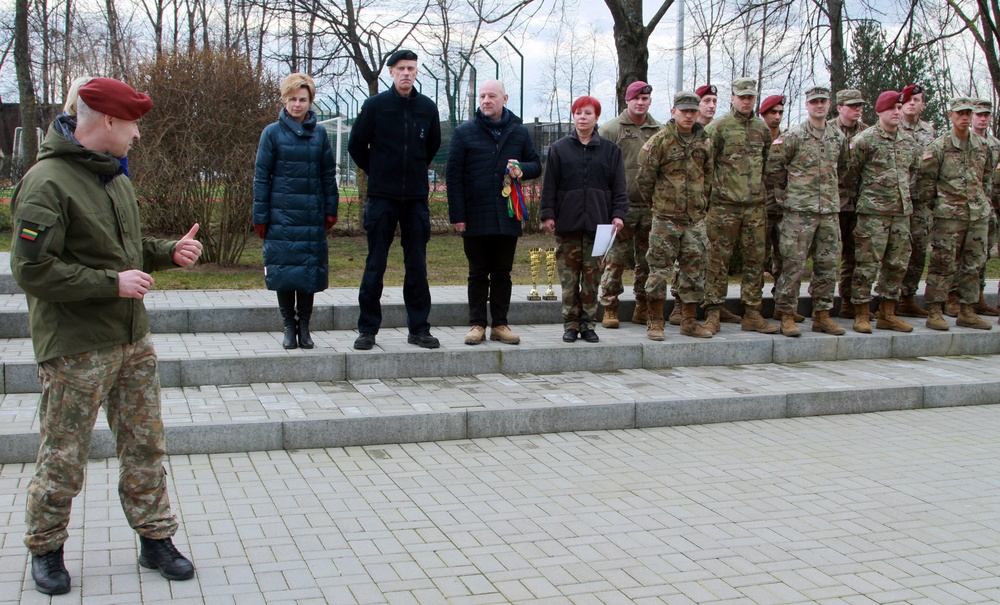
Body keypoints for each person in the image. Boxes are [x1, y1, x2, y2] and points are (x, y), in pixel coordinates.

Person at [10, 77, 201, 595]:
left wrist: (165, 251)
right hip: (75, 346)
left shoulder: (112, 177)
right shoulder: (46, 181)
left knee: (145, 445)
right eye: (134, 124)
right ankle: (45, 548)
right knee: (64, 454)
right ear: (110, 121)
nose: (138, 135)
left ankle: (155, 538)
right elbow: (31, 270)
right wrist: (109, 285)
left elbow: (121, 248)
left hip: (130, 339)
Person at [348, 49, 442, 350]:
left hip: (415, 199)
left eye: (411, 68)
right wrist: (378, 170)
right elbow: (356, 145)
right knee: (375, 264)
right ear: (390, 72)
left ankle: (419, 329)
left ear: (416, 72)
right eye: (401, 68)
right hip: (382, 198)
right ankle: (367, 330)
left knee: (417, 265)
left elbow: (432, 146)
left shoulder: (428, 108)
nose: (406, 73)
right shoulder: (375, 106)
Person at [446, 79, 541, 345]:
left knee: (503, 272)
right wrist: (458, 216)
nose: (486, 100)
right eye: (482, 96)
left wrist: (522, 168)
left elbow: (536, 165)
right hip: (475, 216)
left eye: (492, 96)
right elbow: (453, 177)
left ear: (504, 99)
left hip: (507, 216)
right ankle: (477, 324)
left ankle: (500, 324)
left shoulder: (519, 132)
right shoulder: (464, 132)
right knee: (477, 272)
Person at [253, 73, 339, 350]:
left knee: (308, 274)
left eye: (302, 99)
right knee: (283, 272)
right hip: (281, 216)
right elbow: (261, 176)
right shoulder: (272, 133)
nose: (297, 104)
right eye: (292, 99)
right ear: (285, 100)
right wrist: (261, 215)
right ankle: (289, 327)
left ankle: (305, 327)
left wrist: (330, 208)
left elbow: (328, 173)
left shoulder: (320, 133)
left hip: (311, 216)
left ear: (310, 101)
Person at [540, 96, 628, 343]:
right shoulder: (559, 149)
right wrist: (547, 214)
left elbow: (619, 188)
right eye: (578, 113)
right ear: (573, 116)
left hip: (598, 227)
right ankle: (570, 324)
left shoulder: (611, 151)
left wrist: (618, 215)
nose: (582, 117)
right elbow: (549, 186)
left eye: (588, 113)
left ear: (596, 117)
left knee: (592, 280)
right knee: (569, 281)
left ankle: (589, 325)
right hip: (568, 226)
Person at [766, 86, 850, 337]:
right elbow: (775, 170)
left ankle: (822, 314)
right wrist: (791, 194)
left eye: (823, 101)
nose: (819, 106)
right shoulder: (794, 136)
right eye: (814, 102)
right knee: (793, 265)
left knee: (826, 265)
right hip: (799, 212)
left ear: (829, 104)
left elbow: (844, 168)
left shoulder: (838, 138)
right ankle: (786, 314)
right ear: (807, 105)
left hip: (828, 211)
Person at [635, 91, 714, 340]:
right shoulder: (660, 141)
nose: (689, 115)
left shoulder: (705, 141)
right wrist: (660, 204)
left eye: (693, 111)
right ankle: (655, 321)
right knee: (659, 270)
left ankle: (689, 320)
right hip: (666, 219)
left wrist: (701, 205)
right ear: (673, 112)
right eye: (684, 111)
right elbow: (644, 179)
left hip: (694, 220)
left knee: (694, 270)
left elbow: (709, 177)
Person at [702, 78, 779, 334]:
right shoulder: (719, 127)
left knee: (755, 260)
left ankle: (753, 313)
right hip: (724, 206)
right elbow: (707, 163)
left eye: (750, 97)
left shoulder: (761, 128)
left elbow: (766, 162)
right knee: (717, 261)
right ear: (733, 98)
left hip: (755, 207)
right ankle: (713, 311)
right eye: (742, 97)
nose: (746, 101)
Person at [916, 97, 995, 331]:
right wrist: (939, 208)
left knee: (973, 264)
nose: (965, 117)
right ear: (950, 115)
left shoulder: (982, 146)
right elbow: (926, 184)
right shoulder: (938, 147)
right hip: (949, 216)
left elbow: (987, 177)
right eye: (960, 113)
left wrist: (982, 202)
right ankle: (935, 311)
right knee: (943, 264)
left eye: (968, 113)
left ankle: (967, 310)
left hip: (977, 215)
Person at [842, 90, 919, 334]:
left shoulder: (908, 142)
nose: (897, 113)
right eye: (891, 109)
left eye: (899, 108)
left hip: (901, 213)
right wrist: (869, 197)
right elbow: (850, 175)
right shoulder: (865, 140)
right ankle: (861, 313)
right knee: (866, 264)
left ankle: (887, 313)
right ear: (879, 112)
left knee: (897, 265)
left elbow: (912, 173)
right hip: (873, 214)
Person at [597, 80, 663, 328]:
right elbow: (599, 168)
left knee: (648, 260)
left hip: (650, 206)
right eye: (636, 98)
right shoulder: (611, 129)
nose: (640, 102)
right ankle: (610, 306)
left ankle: (642, 305)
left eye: (645, 99)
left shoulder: (660, 130)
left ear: (650, 101)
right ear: (627, 100)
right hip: (620, 208)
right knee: (615, 260)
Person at [897, 84, 939, 317]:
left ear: (923, 104)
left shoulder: (929, 132)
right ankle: (888, 300)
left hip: (920, 201)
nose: (912, 103)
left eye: (918, 100)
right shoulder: (892, 128)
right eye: (909, 100)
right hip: (896, 201)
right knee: (895, 252)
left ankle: (907, 298)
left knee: (919, 250)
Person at [833, 89, 869, 318]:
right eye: (852, 106)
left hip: (858, 204)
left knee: (855, 256)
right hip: (832, 203)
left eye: (860, 106)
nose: (857, 110)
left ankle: (849, 301)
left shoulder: (867, 133)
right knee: (825, 257)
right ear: (839, 108)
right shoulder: (827, 130)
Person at [970, 99, 1000, 316]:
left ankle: (978, 297)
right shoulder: (963, 142)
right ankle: (958, 300)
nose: (983, 119)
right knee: (963, 256)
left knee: (983, 255)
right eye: (978, 114)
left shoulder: (995, 144)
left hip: (988, 207)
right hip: (963, 208)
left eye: (986, 115)